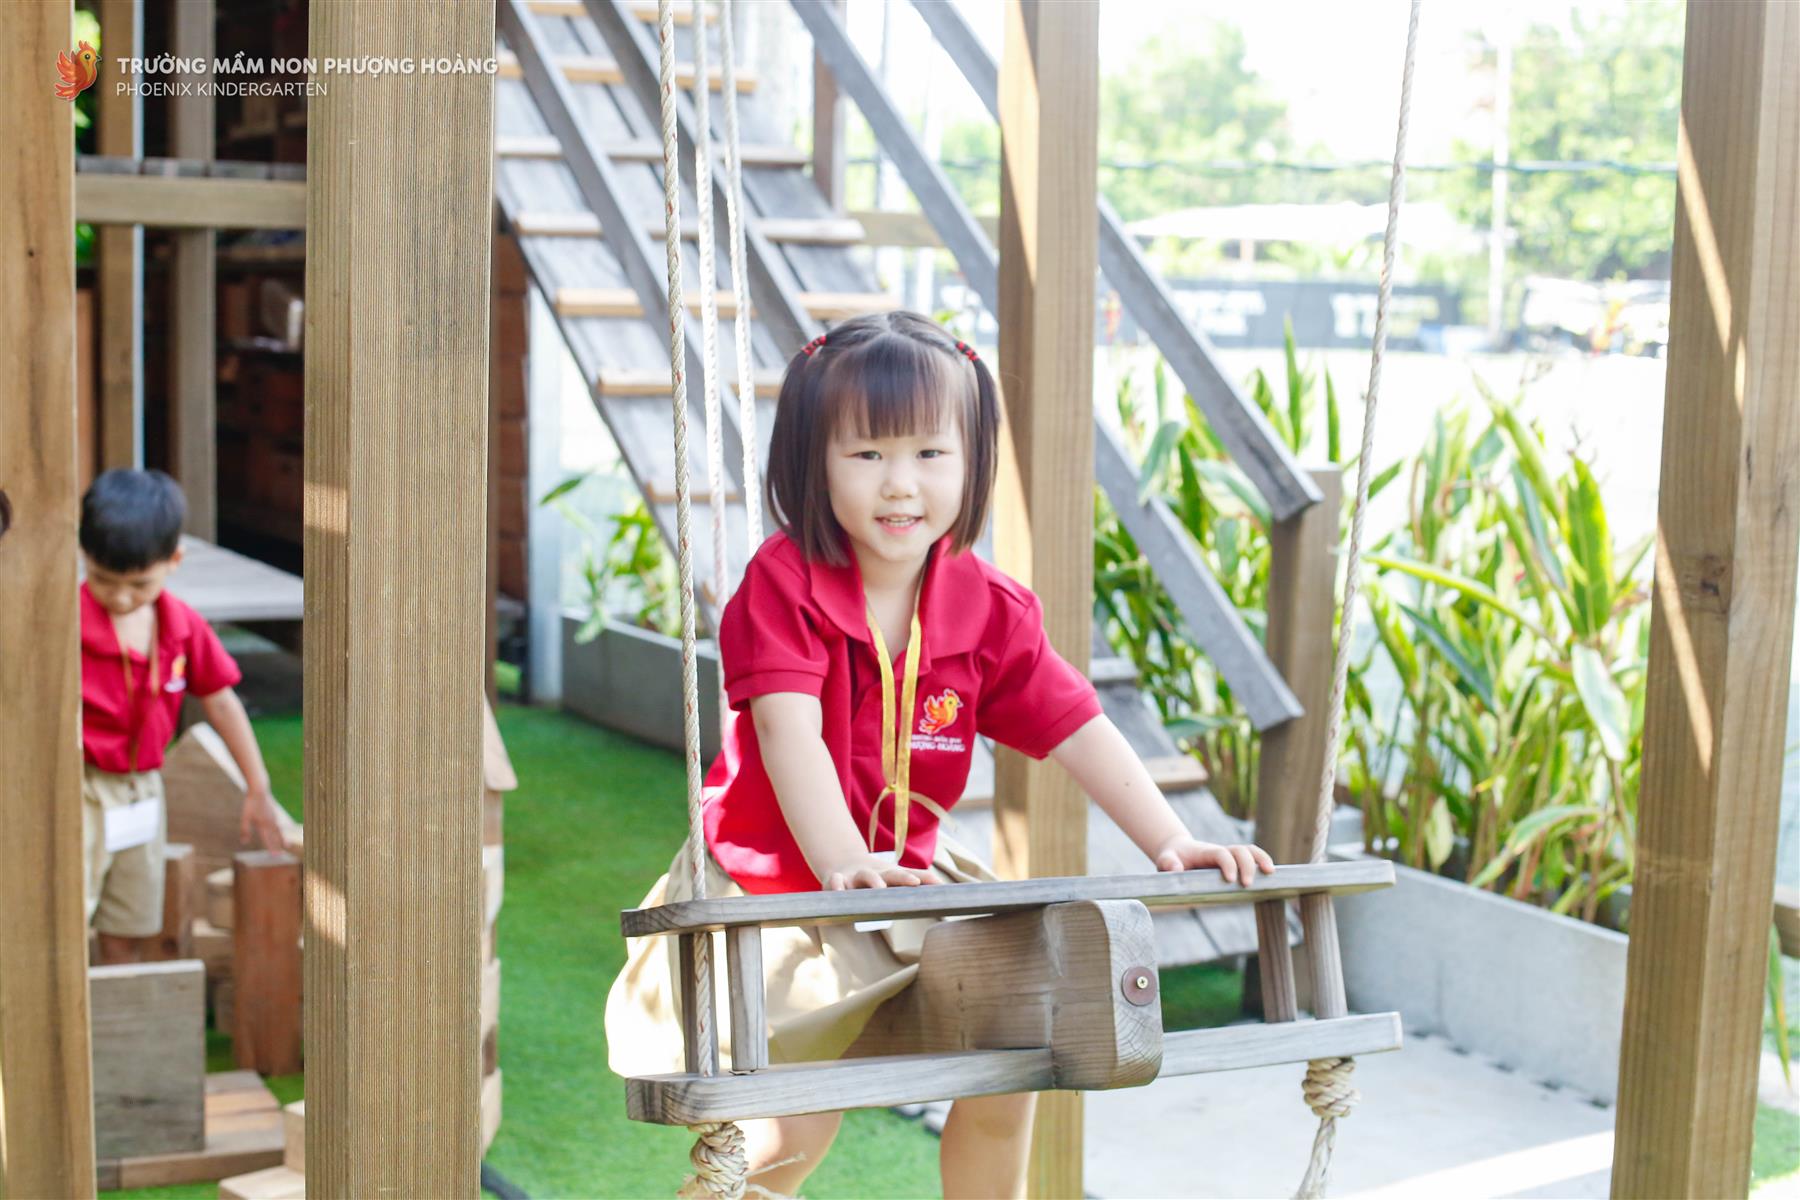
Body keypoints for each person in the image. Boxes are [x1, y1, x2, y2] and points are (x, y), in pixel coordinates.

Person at [607, 311, 1274, 1198]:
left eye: (931, 453)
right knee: (792, 1127)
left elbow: (1076, 724)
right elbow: (786, 731)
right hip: (782, 888)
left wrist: (1170, 839)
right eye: (867, 453)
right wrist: (842, 861)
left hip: (910, 877)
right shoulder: (785, 582)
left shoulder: (989, 607)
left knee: (1015, 1052)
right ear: (812, 463)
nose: (901, 483)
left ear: (972, 461)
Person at [79, 469, 285, 965]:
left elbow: (221, 700)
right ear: (84, 556)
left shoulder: (181, 626)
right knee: (66, 910)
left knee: (129, 919)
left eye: (139, 584)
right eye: (104, 580)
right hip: (80, 786)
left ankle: (120, 1002)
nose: (120, 597)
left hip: (144, 789)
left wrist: (257, 784)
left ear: (174, 561)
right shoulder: (65, 620)